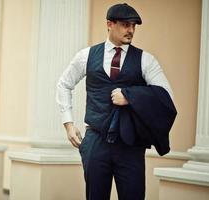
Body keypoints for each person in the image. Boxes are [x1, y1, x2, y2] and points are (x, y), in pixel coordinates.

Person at [56, 3, 176, 200]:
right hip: (95, 142)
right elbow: (63, 84)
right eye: (125, 24)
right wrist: (68, 125)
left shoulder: (146, 60)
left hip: (130, 145)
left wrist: (130, 96)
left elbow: (165, 97)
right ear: (109, 24)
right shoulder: (86, 56)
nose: (130, 30)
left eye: (134, 26)